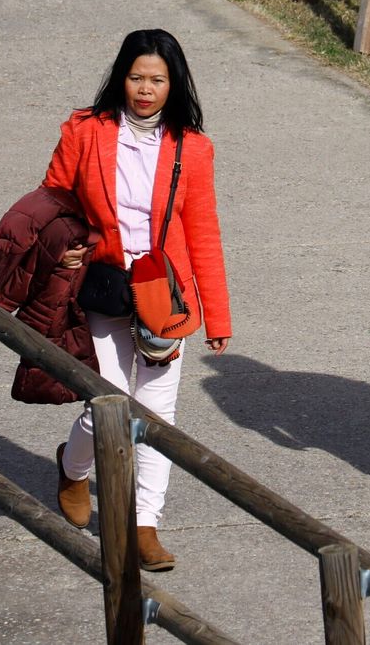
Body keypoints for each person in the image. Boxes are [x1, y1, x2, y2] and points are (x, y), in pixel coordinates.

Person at [45, 29, 231, 571]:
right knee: (108, 401)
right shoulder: (85, 131)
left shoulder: (191, 148)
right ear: (120, 77)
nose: (145, 89)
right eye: (136, 77)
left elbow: (203, 232)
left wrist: (215, 314)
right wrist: (67, 249)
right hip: (102, 284)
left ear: (174, 84)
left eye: (157, 79)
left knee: (156, 412)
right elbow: (52, 200)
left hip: (163, 294)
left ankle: (144, 522)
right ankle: (74, 469)